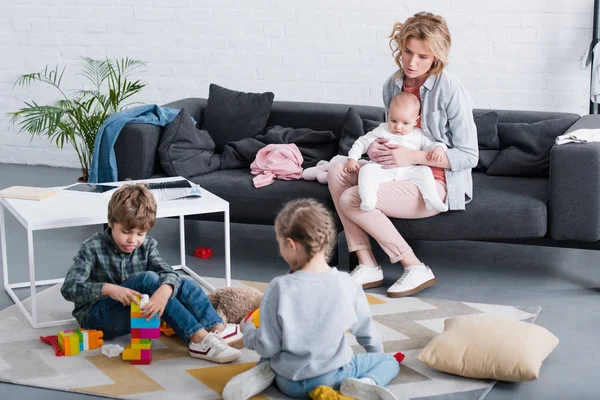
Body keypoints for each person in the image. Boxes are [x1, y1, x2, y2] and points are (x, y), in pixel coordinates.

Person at [328, 11, 478, 298]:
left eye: (422, 56)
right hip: (393, 172)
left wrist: (413, 158)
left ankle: (414, 266)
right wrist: (373, 147)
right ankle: (367, 264)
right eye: (408, 52)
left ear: (436, 57)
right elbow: (391, 130)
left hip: (434, 181)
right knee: (337, 167)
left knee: (353, 198)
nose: (412, 62)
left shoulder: (451, 90)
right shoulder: (392, 84)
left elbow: (469, 156)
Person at [221, 199, 402, 400]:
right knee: (389, 362)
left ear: (291, 244)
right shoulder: (347, 283)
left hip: (286, 380)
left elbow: (268, 345)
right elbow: (366, 331)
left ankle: (260, 375)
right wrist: (375, 354)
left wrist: (248, 333)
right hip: (332, 378)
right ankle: (365, 383)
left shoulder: (279, 287)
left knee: (270, 351)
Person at [60, 184, 242, 364]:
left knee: (183, 284)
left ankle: (216, 328)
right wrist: (108, 289)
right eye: (126, 232)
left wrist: (165, 290)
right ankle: (197, 339)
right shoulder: (91, 248)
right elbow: (69, 288)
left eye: (140, 233)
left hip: (136, 314)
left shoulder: (147, 246)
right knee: (148, 280)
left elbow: (168, 272)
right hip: (98, 318)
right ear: (110, 222)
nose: (133, 240)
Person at [344, 91, 448, 213]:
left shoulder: (417, 135)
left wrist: (439, 149)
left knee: (424, 171)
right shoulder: (382, 130)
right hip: (382, 168)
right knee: (366, 171)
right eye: (393, 121)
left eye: (405, 123)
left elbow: (432, 145)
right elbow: (362, 141)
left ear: (416, 121)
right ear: (388, 115)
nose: (398, 127)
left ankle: (432, 200)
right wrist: (352, 158)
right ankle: (368, 199)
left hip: (409, 171)